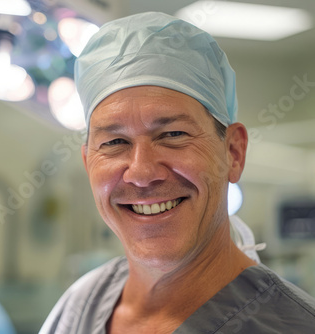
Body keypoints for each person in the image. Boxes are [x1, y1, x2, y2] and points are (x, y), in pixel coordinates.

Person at [39, 12, 315, 334]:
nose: (141, 173)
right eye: (115, 142)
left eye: (173, 135)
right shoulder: (79, 308)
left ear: (233, 152)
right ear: (89, 165)